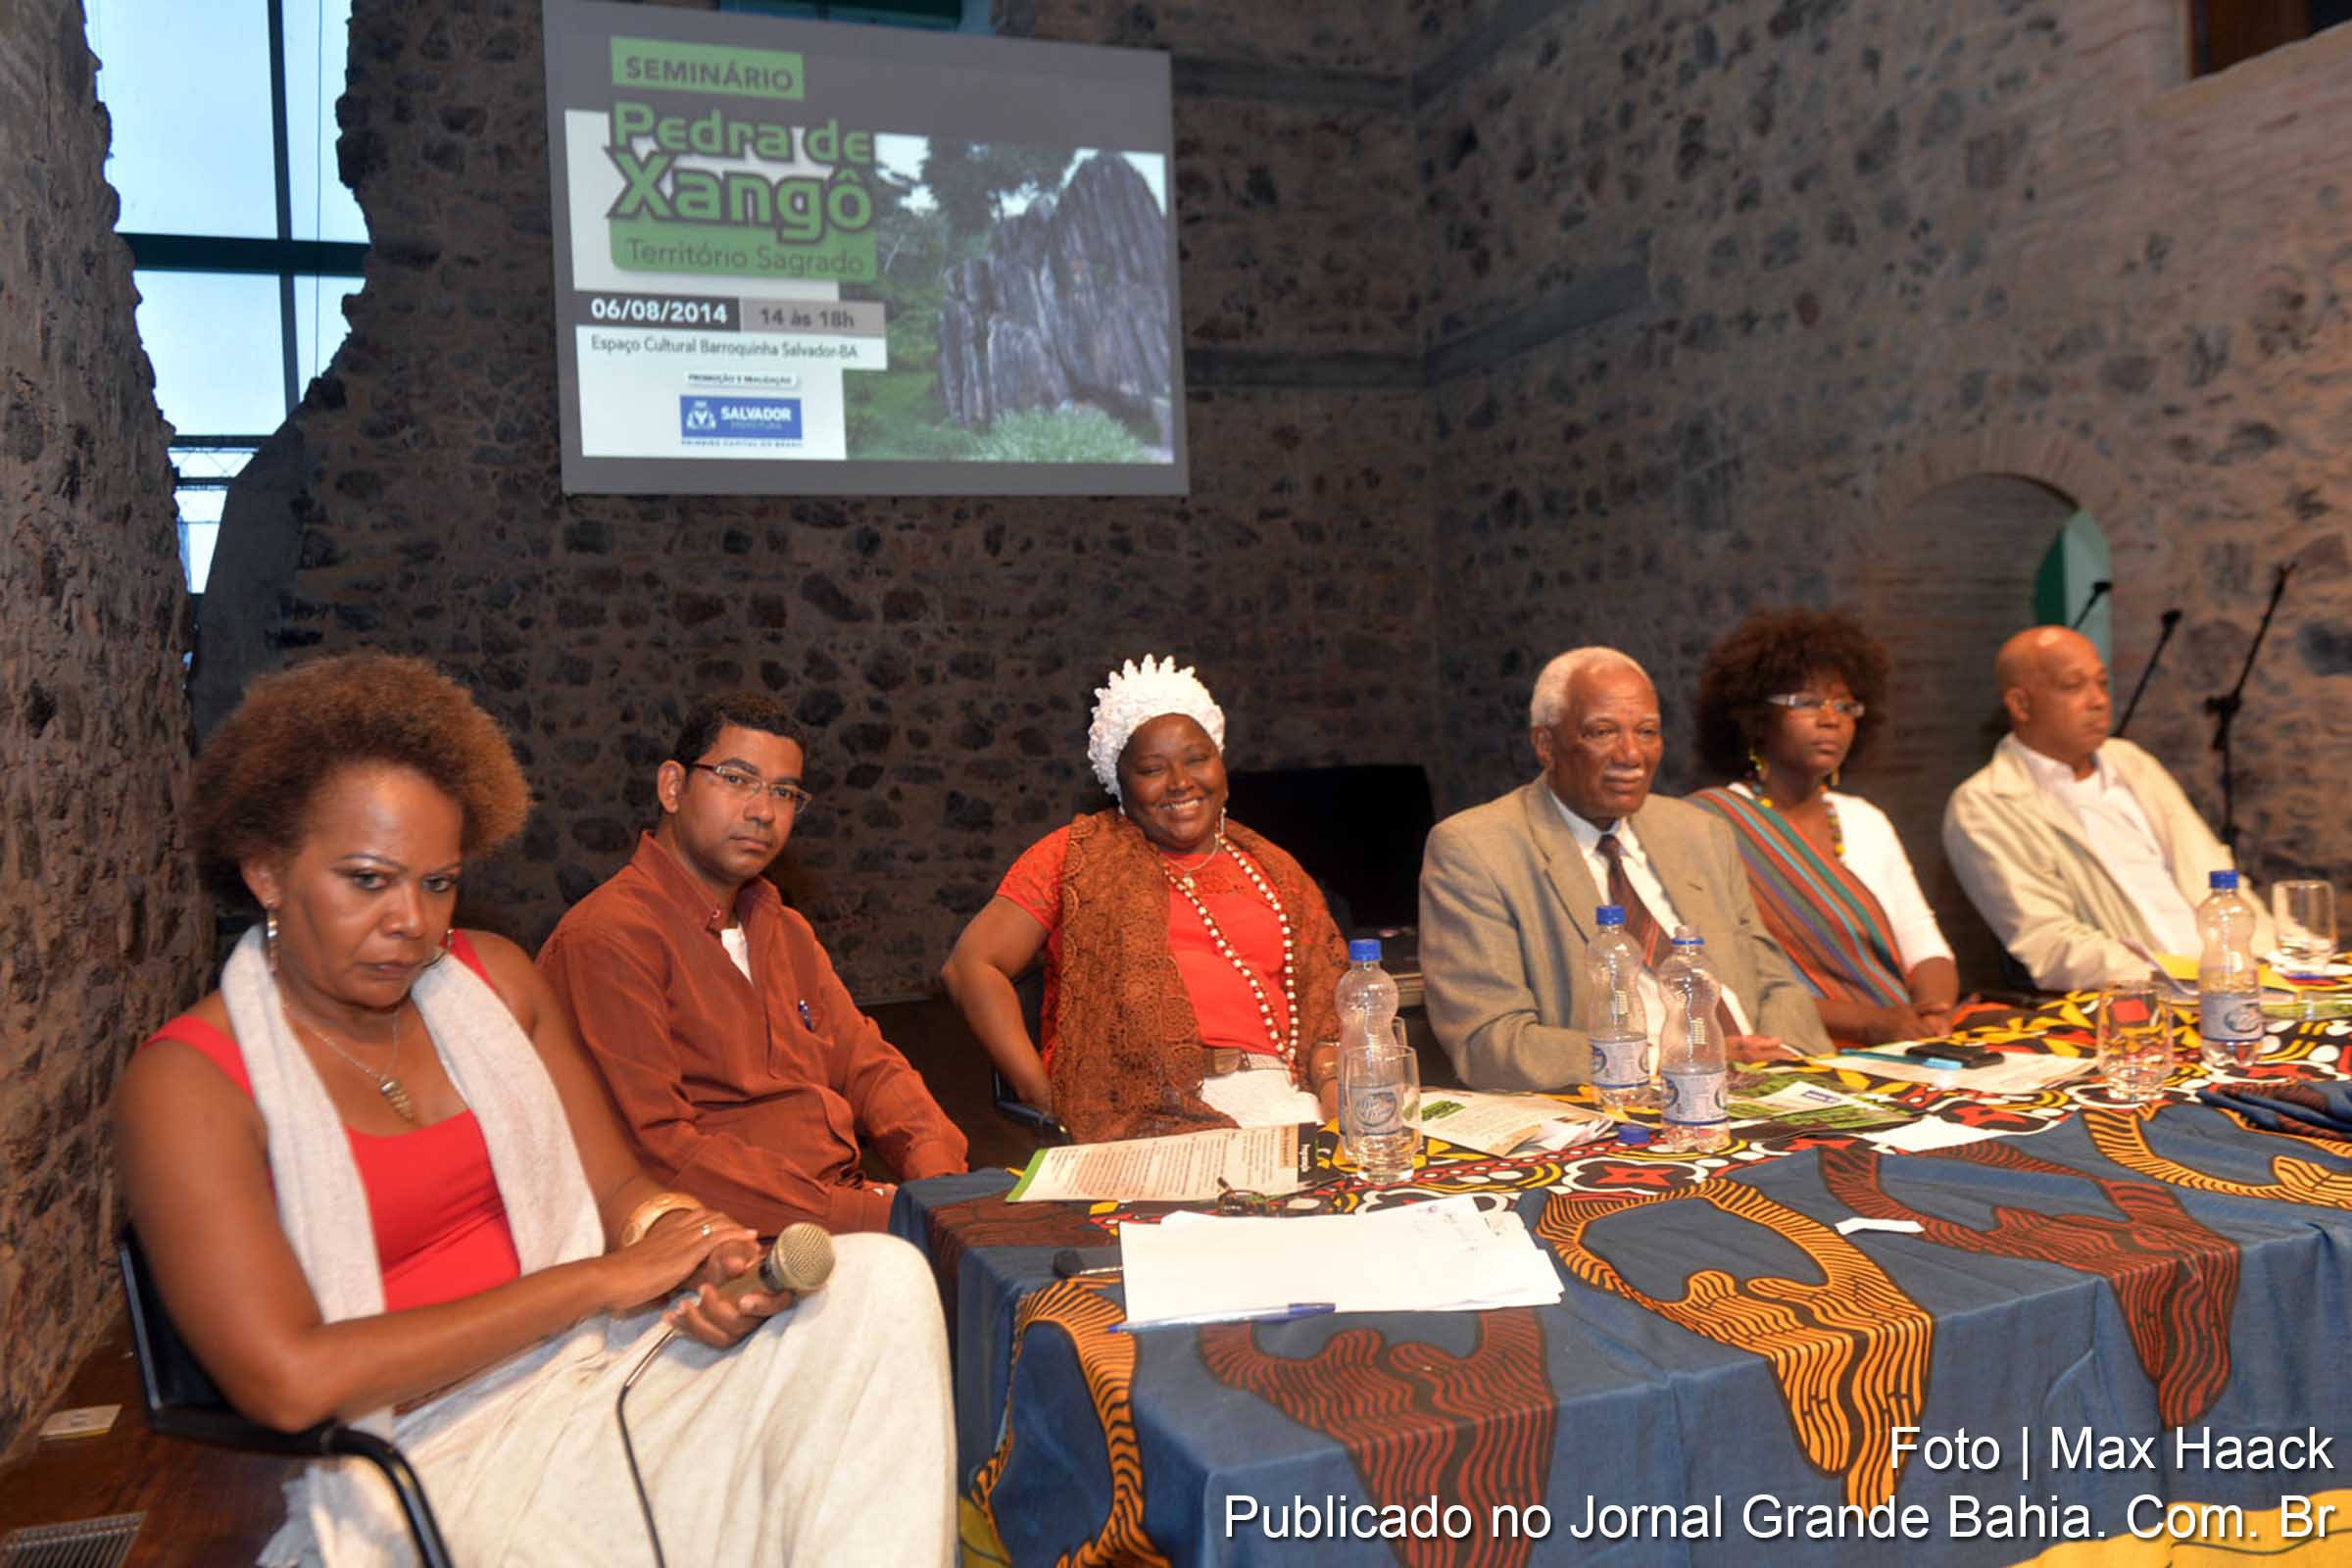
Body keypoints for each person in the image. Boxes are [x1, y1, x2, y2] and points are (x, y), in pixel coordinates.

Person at [115, 653, 952, 1567]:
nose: (413, 923)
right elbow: (288, 1383)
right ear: (268, 872)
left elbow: (623, 1187)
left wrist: (698, 1247)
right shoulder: (190, 1084)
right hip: (435, 1444)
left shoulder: (493, 984)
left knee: (881, 1283)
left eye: (438, 883)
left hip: (592, 1367)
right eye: (367, 880)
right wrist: (591, 1285)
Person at [538, 692, 966, 1236]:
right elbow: (661, 1156)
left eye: (784, 791)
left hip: (845, 1210)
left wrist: (940, 1182)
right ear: (673, 787)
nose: (763, 811)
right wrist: (890, 1216)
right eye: (737, 779)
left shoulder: (781, 928)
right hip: (728, 1247)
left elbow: (870, 1067)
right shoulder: (609, 938)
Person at [941, 656, 1349, 1144]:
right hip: (1141, 1114)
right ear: (1119, 783)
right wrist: (1045, 1097)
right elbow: (970, 967)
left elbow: (1328, 1008)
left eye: (1197, 759)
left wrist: (1334, 1090)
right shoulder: (1075, 856)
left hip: (1282, 1096)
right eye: (1152, 769)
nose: (1180, 782)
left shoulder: (1272, 867)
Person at [1418, 646, 1830, 1091]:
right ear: (1546, 745)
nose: (1632, 755)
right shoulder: (1477, 850)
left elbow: (1777, 986)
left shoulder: (1699, 832)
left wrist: (1784, 1062)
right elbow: (1490, 1043)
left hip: (1765, 1090)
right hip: (1627, 1105)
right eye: (1602, 732)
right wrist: (1675, 1058)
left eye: (1648, 731)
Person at [1943, 624, 2270, 991]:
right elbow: (2051, 945)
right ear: (2021, 704)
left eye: (2101, 683)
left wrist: (2269, 957)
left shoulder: (2131, 762)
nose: (2098, 700)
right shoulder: (1986, 804)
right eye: (2073, 686)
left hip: (2240, 979)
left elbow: (2217, 874)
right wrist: (2180, 978)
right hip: (2144, 1001)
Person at [1688, 610, 1960, 1047]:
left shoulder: (1864, 819)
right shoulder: (1708, 824)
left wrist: (1934, 1011)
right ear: (1755, 717)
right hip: (1792, 1047)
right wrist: (1870, 1023)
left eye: (1845, 705)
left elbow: (1922, 941)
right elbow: (1735, 978)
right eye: (1806, 702)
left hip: (1905, 1038)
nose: (1830, 718)